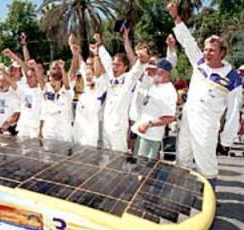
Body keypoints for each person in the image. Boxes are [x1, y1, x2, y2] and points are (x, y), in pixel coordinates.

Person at [167, 3, 242, 188]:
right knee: (182, 158)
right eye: (206, 49)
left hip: (207, 127)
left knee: (206, 165)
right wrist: (176, 17)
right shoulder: (199, 63)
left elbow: (233, 113)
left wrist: (226, 139)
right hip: (187, 121)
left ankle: (208, 201)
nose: (207, 53)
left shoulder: (233, 78)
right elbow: (188, 42)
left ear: (222, 53)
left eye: (212, 50)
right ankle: (180, 193)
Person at [96, 33, 150, 152]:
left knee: (118, 159)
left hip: (119, 127)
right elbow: (105, 58)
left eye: (118, 65)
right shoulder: (110, 77)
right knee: (106, 157)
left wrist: (143, 58)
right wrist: (99, 45)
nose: (115, 67)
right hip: (106, 126)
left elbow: (138, 68)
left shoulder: (128, 78)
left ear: (125, 67)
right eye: (114, 64)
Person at [130, 58, 177, 159]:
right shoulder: (155, 85)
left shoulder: (169, 91)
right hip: (142, 132)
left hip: (151, 136)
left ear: (162, 72)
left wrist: (149, 124)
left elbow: (170, 117)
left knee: (144, 168)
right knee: (138, 164)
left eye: (153, 70)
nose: (149, 72)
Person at [39, 60, 73, 142]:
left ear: (61, 80)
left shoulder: (67, 91)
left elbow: (67, 85)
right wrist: (40, 131)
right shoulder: (47, 89)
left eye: (55, 80)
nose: (52, 83)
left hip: (64, 131)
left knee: (64, 153)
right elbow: (44, 112)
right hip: (49, 130)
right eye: (51, 80)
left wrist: (62, 68)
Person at [16, 60, 45, 138]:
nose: (28, 79)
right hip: (23, 126)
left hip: (34, 128)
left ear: (36, 77)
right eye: (27, 77)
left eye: (31, 77)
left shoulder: (42, 90)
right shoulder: (23, 90)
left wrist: (35, 66)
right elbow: (11, 81)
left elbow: (41, 82)